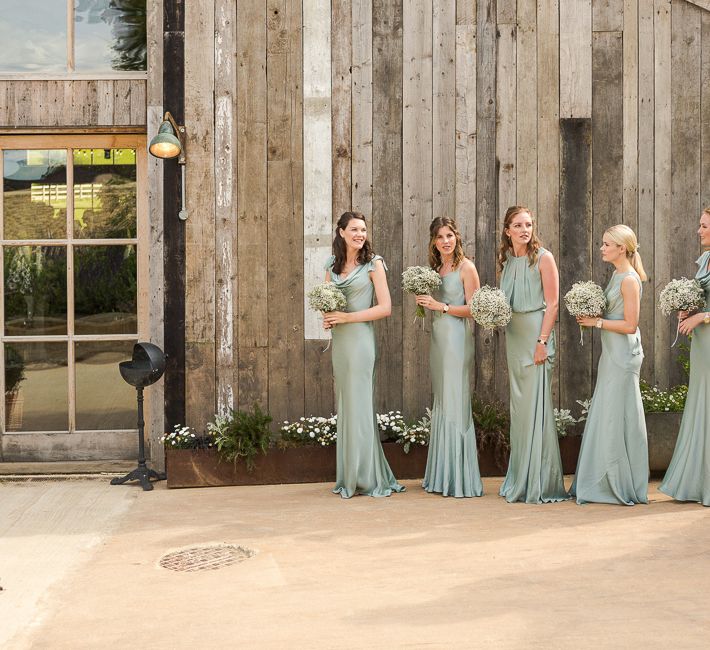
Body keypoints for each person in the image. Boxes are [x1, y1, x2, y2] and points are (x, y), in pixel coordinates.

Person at [323, 212, 405, 498]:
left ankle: (368, 476)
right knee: (347, 404)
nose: (360, 234)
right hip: (341, 342)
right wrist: (329, 318)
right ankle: (349, 475)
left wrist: (345, 317)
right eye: (355, 229)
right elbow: (327, 302)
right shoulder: (330, 266)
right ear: (341, 232)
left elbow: (385, 308)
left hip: (360, 341)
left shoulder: (373, 264)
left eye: (364, 230)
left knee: (360, 404)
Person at [571, 224, 649, 505]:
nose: (602, 248)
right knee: (609, 411)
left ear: (622, 248)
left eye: (606, 244)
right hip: (612, 353)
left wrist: (597, 322)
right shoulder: (616, 275)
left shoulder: (628, 279)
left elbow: (630, 325)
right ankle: (602, 477)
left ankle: (620, 483)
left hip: (624, 355)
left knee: (619, 414)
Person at [498, 206, 568, 503]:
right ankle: (520, 476)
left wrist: (542, 341)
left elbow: (552, 305)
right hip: (514, 337)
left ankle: (540, 481)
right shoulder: (507, 260)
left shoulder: (544, 257)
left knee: (535, 408)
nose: (524, 229)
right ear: (507, 231)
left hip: (536, 337)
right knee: (520, 410)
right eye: (518, 225)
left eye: (528, 224)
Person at [415, 217, 483, 497]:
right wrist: (423, 302)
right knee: (443, 398)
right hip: (438, 339)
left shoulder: (466, 267)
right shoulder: (435, 269)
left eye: (450, 235)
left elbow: (475, 309)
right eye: (440, 237)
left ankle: (460, 478)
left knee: (456, 398)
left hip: (456, 338)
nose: (446, 241)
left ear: (457, 238)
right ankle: (441, 475)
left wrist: (440, 306)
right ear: (433, 241)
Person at [659, 209, 710, 505]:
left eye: (703, 226)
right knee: (701, 401)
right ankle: (698, 479)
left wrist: (702, 316)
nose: (698, 230)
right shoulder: (704, 259)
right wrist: (688, 309)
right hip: (702, 342)